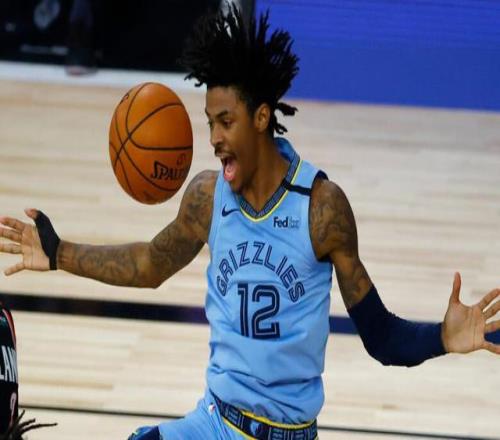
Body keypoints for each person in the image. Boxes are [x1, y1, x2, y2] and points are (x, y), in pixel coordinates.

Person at [0, 6, 499, 440]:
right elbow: (149, 264)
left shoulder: (321, 209)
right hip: (213, 422)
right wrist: (59, 252)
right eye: (209, 122)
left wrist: (442, 337)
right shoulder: (207, 197)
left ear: (261, 118)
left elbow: (380, 336)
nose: (213, 138)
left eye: (226, 121)